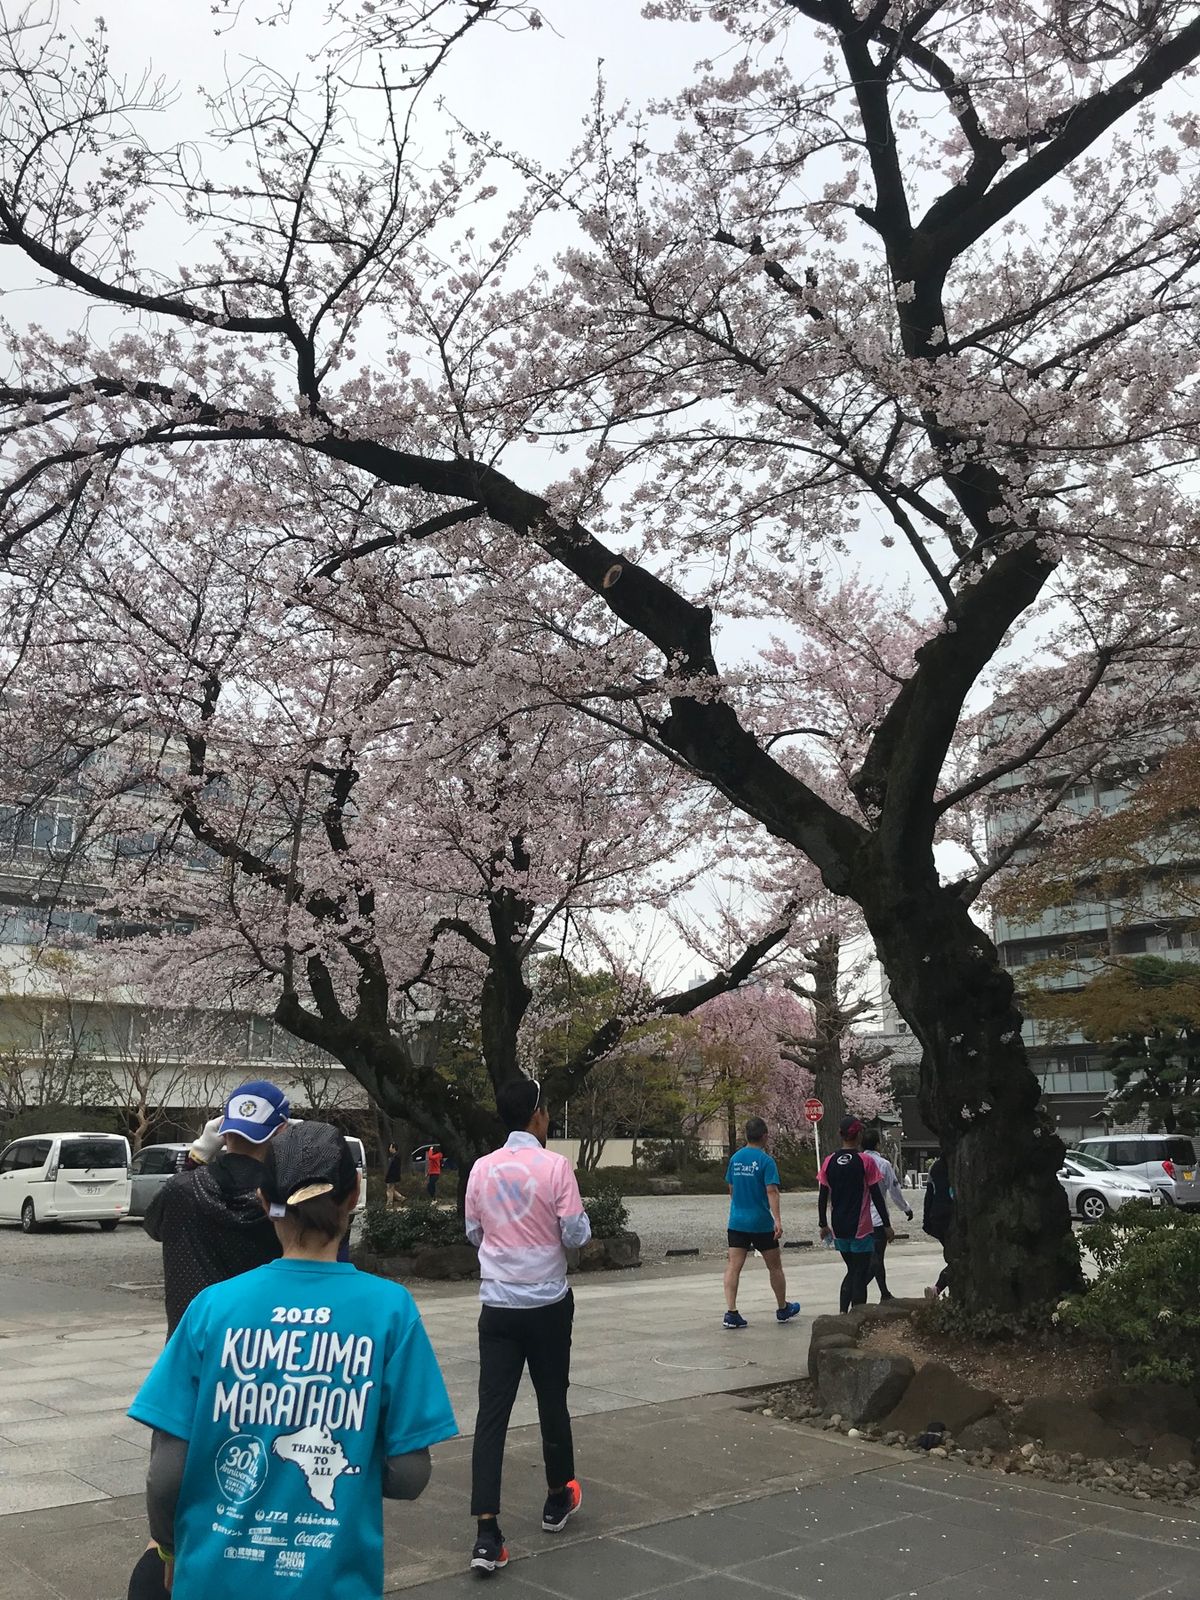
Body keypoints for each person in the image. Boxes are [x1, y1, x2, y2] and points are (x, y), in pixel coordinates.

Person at [127, 1121, 458, 1600]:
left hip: (214, 1581)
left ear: (264, 1200)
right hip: (333, 1582)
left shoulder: (212, 1308)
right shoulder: (390, 1310)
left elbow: (166, 1474)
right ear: (355, 1194)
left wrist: (168, 1551)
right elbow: (409, 1475)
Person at [464, 1077, 591, 1576]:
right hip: (546, 1300)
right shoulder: (555, 1166)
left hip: (497, 1304)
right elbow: (576, 1233)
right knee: (551, 1397)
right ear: (537, 1116)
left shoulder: (481, 1168)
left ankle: (486, 1533)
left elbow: (474, 1230)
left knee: (491, 1414)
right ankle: (558, 1497)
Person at [143, 1080, 291, 1337]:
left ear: (222, 1129)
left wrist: (196, 1158)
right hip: (261, 1344)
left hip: (189, 1344)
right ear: (281, 1131)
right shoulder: (285, 1202)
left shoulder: (181, 1190)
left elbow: (155, 1226)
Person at [721, 1116, 801, 1330]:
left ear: (746, 1135)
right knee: (774, 1266)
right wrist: (777, 1219)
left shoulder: (735, 1159)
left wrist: (738, 1205)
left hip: (737, 1220)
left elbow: (731, 1187)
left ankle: (731, 1311)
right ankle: (782, 1307)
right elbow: (772, 1191)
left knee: (733, 1266)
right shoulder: (766, 1161)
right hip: (761, 1222)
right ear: (765, 1136)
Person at [818, 1116, 893, 1313]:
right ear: (859, 1134)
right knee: (859, 1274)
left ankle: (843, 1311)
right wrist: (886, 1224)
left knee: (851, 1270)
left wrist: (823, 1224)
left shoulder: (828, 1161)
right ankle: (858, 1315)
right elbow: (876, 1195)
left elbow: (823, 1195)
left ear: (840, 1134)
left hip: (839, 1227)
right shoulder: (865, 1161)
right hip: (861, 1226)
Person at [862, 1129, 913, 1302]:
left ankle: (883, 1292)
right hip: (877, 1218)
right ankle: (859, 1288)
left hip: (859, 1218)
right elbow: (894, 1189)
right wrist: (905, 1208)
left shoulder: (857, 1161)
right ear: (878, 1144)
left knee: (868, 1259)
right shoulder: (883, 1164)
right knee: (877, 1259)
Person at [923, 1151, 954, 1299]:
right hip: (952, 1217)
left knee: (954, 1256)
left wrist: (926, 1220)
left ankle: (937, 1288)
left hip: (937, 1216)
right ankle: (937, 1288)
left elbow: (929, 1195)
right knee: (958, 1257)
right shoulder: (958, 1163)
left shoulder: (935, 1167)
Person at [386, 1142, 404, 1209]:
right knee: (391, 1189)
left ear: (393, 1148)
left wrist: (390, 1176)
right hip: (391, 1176)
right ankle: (401, 1198)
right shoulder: (394, 1157)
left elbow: (394, 1169)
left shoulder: (396, 1157)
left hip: (392, 1176)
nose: (389, 1149)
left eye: (390, 1147)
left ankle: (389, 1204)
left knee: (390, 1190)